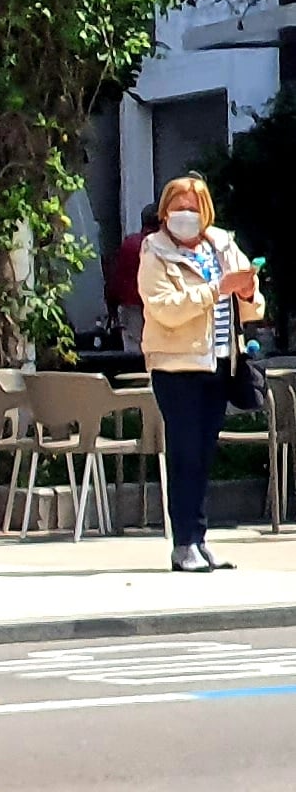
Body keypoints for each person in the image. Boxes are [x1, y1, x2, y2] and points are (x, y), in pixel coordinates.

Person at [137, 172, 261, 571]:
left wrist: (247, 292)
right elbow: (165, 308)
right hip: (177, 366)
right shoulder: (153, 251)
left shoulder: (223, 244)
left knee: (205, 454)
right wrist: (218, 289)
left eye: (192, 208)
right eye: (177, 207)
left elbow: (254, 305)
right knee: (185, 454)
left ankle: (201, 540)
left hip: (221, 361)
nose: (184, 215)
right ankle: (183, 542)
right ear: (164, 211)